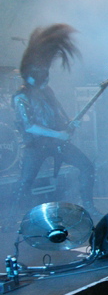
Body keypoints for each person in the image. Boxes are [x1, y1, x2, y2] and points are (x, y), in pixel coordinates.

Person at [13, 24, 100, 218]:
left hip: (57, 143)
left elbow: (56, 113)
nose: (46, 81)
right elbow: (29, 126)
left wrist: (70, 122)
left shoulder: (46, 90)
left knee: (87, 166)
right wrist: (58, 134)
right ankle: (14, 218)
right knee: (25, 181)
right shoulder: (21, 96)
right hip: (35, 146)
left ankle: (88, 206)